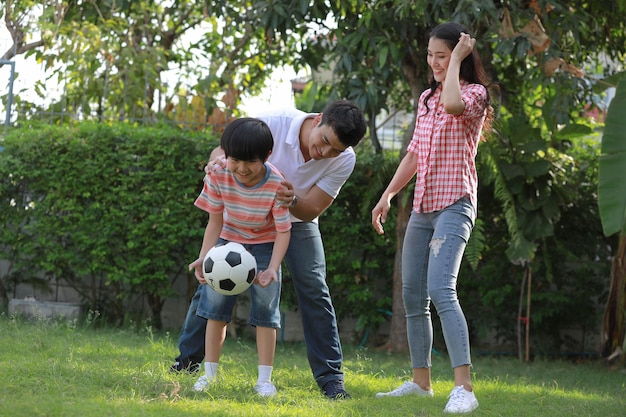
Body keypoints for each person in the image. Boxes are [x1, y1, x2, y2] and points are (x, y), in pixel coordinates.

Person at [172, 100, 367, 400]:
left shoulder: (344, 159)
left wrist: (289, 199)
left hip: (295, 219)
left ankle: (331, 379)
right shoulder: (273, 121)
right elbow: (227, 150)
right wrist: (215, 162)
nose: (325, 153)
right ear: (317, 121)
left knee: (314, 287)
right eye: (325, 141)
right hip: (243, 218)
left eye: (335, 150)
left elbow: (312, 207)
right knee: (215, 277)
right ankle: (186, 363)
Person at [371, 22, 492, 414]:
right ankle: (421, 383)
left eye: (442, 55)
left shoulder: (474, 93)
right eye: (431, 55)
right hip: (422, 207)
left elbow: (455, 106)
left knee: (441, 290)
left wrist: (456, 62)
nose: (434, 62)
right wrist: (388, 194)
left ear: (459, 56)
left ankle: (465, 389)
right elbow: (414, 154)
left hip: (455, 203)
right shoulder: (425, 98)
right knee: (412, 295)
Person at [189, 117, 291, 397]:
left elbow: (283, 231)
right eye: (235, 160)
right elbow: (214, 221)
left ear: (267, 157)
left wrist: (272, 268)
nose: (242, 169)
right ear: (224, 154)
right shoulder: (218, 174)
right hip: (226, 246)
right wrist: (204, 257)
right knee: (214, 311)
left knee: (267, 314)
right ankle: (208, 376)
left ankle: (264, 380)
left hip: (265, 246)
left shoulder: (277, 185)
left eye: (251, 163)